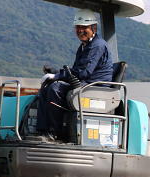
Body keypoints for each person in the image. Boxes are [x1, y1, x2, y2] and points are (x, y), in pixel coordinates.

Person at [36, 8, 113, 140]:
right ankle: (43, 131)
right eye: (78, 27)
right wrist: (58, 73)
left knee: (55, 89)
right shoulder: (84, 46)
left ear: (94, 28)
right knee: (45, 90)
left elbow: (83, 72)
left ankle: (54, 132)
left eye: (84, 27)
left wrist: (57, 77)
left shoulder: (97, 45)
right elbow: (76, 70)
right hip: (85, 84)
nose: (80, 30)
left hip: (95, 89)